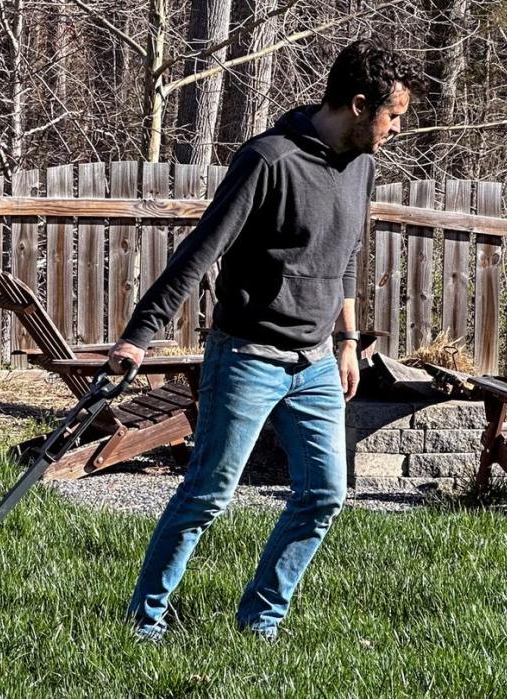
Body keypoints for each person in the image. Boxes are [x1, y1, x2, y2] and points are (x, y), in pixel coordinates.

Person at [110, 38, 426, 643]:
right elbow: (199, 254)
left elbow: (346, 256)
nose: (395, 129)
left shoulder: (362, 165)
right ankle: (143, 624)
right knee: (208, 494)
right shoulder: (268, 160)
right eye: (393, 116)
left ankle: (261, 622)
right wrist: (138, 338)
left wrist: (347, 340)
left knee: (325, 494)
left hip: (314, 363)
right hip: (249, 355)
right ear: (359, 105)